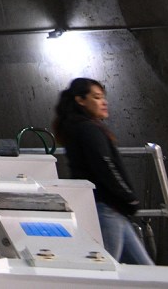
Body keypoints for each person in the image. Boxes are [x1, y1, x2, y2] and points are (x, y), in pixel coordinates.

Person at [53, 77, 152, 265]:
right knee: (105, 269)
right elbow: (105, 165)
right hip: (106, 207)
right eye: (97, 97)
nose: (104, 102)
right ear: (80, 100)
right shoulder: (88, 129)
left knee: (144, 268)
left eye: (103, 97)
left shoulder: (77, 128)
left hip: (111, 208)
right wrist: (128, 196)